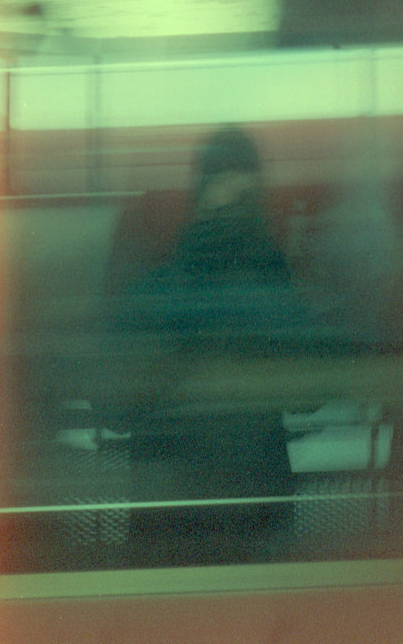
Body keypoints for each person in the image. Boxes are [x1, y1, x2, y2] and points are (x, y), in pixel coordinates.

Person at [103, 126, 304, 565]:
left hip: (177, 507)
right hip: (245, 502)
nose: (231, 220)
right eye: (224, 200)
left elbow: (307, 387)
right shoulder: (264, 281)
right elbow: (309, 389)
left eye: (243, 202)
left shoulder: (161, 284)